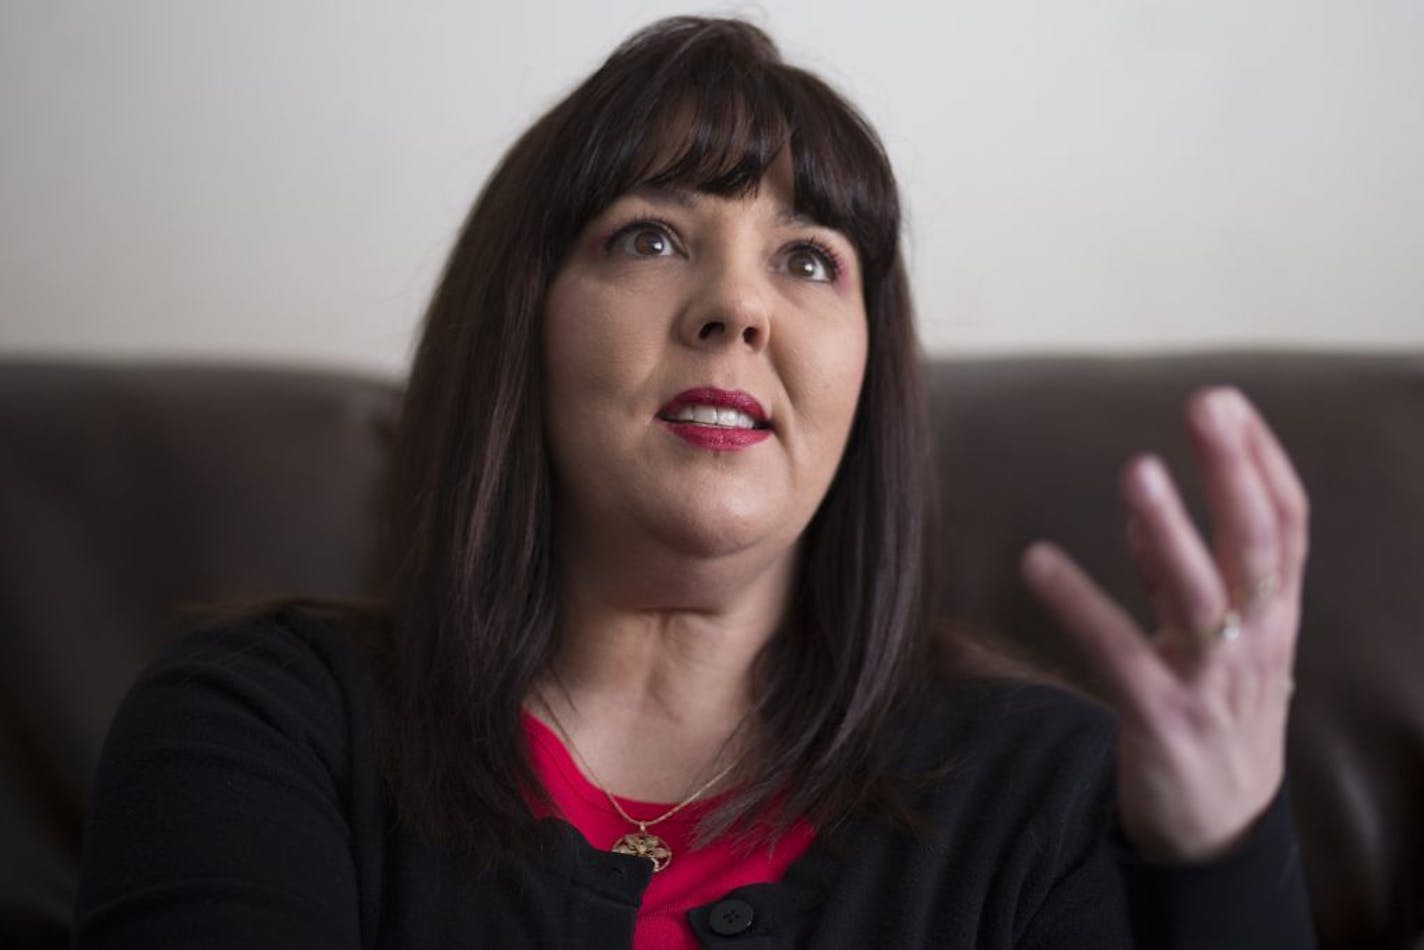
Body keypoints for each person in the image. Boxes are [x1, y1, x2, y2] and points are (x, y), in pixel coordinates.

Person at [73, 16, 1315, 948]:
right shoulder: (258, 726)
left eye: (810, 261)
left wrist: (1217, 868)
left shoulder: (1053, 795)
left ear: (866, 378)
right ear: (522, 325)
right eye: (652, 237)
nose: (736, 306)